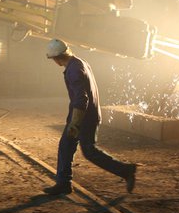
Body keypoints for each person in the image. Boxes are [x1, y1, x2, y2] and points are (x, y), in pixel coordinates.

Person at [44, 38, 136, 195]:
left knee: (89, 151)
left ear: (57, 58)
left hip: (84, 119)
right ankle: (64, 183)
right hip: (86, 116)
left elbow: (81, 99)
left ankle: (125, 170)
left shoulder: (73, 70)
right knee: (66, 147)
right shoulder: (79, 62)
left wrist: (75, 123)